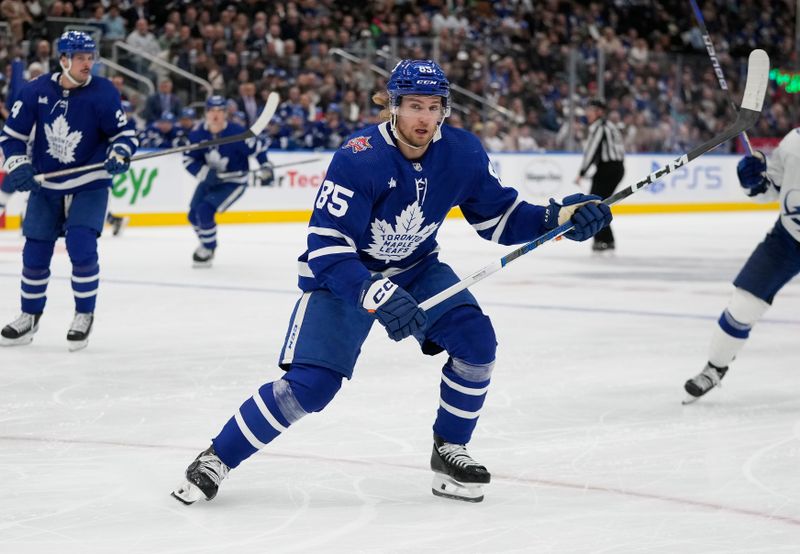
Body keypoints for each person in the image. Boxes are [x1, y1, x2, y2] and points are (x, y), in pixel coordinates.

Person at [171, 60, 612, 505]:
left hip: (417, 269)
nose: (424, 117)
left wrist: (556, 218)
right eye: (414, 106)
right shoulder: (359, 157)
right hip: (346, 278)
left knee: (477, 344)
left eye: (434, 106)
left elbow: (499, 219)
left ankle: (450, 450)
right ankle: (217, 457)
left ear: (445, 109)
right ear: (393, 107)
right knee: (312, 386)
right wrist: (371, 291)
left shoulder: (462, 153)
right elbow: (326, 246)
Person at [0, 31, 138, 351]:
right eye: (80, 58)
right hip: (46, 184)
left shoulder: (103, 92)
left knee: (81, 245)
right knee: (34, 253)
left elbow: (124, 133)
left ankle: (83, 314)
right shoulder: (35, 90)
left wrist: (119, 153)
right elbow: (11, 135)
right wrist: (18, 164)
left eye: (91, 57)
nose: (88, 63)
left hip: (90, 181)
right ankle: (29, 316)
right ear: (63, 60)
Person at [683, 134, 800, 403]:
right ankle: (714, 368)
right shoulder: (794, 142)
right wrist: (754, 181)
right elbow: (771, 189)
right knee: (743, 304)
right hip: (788, 238)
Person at [182, 95, 271, 267]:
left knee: (204, 211)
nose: (216, 115)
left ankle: (208, 248)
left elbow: (258, 149)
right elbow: (188, 160)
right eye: (212, 111)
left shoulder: (237, 132)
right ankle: (207, 242)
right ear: (206, 113)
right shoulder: (197, 135)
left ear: (225, 113)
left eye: (220, 111)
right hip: (210, 180)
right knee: (193, 215)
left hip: (234, 182)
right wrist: (204, 172)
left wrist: (266, 166)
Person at [574, 98, 625, 252]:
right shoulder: (610, 125)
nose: (587, 113)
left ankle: (603, 240)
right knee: (599, 203)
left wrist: (582, 172)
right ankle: (606, 240)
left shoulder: (599, 127)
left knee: (595, 205)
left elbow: (592, 150)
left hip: (607, 169)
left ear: (599, 112)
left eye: (591, 110)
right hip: (615, 168)